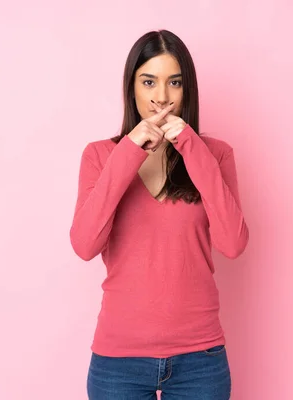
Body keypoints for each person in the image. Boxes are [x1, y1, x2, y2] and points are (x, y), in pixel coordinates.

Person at [70, 29, 249, 400]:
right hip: (118, 363)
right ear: (131, 87)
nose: (162, 97)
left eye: (175, 83)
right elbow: (85, 245)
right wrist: (130, 150)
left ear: (188, 90)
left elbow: (232, 243)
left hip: (200, 360)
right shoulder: (100, 156)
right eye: (149, 81)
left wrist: (190, 146)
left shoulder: (215, 155)